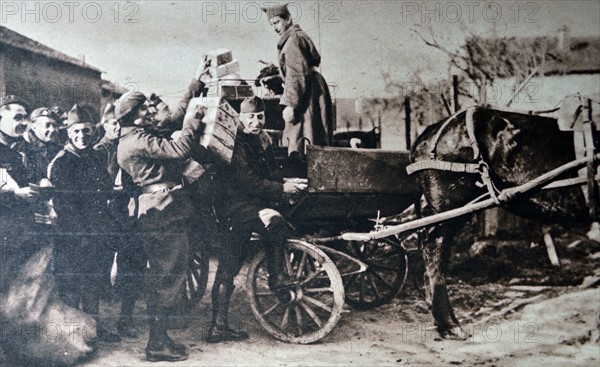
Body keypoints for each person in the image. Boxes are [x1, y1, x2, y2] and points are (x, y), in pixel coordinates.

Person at [115, 90, 212, 362]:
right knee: (166, 278)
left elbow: (170, 121)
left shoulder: (132, 137)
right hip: (162, 211)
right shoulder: (138, 139)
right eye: (144, 109)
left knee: (166, 275)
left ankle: (161, 338)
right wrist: (195, 119)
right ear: (134, 116)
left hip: (161, 208)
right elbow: (180, 149)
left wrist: (195, 87)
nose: (150, 112)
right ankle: (156, 343)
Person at [209, 95, 307, 343]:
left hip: (252, 203)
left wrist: (286, 182)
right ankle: (276, 279)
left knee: (278, 221)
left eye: (260, 116)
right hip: (233, 207)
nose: (256, 121)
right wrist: (281, 190)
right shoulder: (235, 143)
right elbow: (246, 181)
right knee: (230, 266)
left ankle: (219, 326)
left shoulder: (261, 139)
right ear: (240, 118)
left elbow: (269, 173)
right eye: (250, 116)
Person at [48, 104, 121, 343]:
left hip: (97, 232)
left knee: (93, 284)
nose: (82, 136)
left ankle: (93, 329)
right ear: (69, 133)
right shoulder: (62, 162)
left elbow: (105, 191)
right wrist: (82, 237)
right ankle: (71, 339)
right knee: (72, 288)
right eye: (76, 131)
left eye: (87, 131)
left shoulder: (95, 157)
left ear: (93, 132)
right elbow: (65, 207)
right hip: (74, 236)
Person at [94, 103, 143, 338]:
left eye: (120, 123)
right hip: (105, 214)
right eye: (112, 123)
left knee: (132, 265)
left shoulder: (130, 146)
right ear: (104, 124)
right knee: (99, 267)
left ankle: (126, 319)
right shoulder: (98, 150)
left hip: (128, 213)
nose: (117, 127)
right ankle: (96, 323)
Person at [262, 3, 334, 160]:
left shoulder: (293, 40)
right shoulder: (296, 37)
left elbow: (297, 74)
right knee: (315, 134)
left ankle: (303, 177)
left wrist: (290, 105)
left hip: (305, 94)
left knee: (302, 138)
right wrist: (277, 78)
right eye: (271, 24)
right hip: (311, 88)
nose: (274, 27)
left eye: (276, 22)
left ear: (287, 19)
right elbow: (299, 69)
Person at [0, 95, 38, 290]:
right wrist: (14, 195)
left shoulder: (24, 151)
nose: (24, 123)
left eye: (26, 118)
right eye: (17, 118)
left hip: (21, 232)